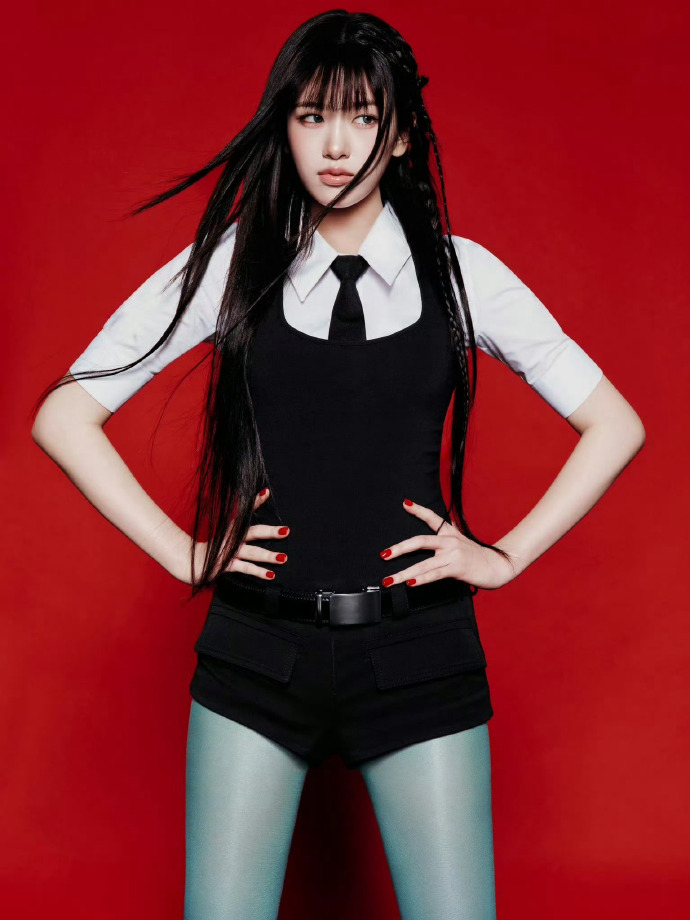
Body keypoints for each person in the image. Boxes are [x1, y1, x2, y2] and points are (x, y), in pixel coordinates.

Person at [30, 10, 645, 920]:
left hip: (417, 653)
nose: (335, 144)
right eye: (312, 115)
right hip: (258, 655)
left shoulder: (462, 274)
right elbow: (65, 414)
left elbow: (615, 425)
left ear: (400, 137)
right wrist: (184, 552)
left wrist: (503, 556)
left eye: (363, 117)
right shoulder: (235, 265)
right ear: (285, 125)